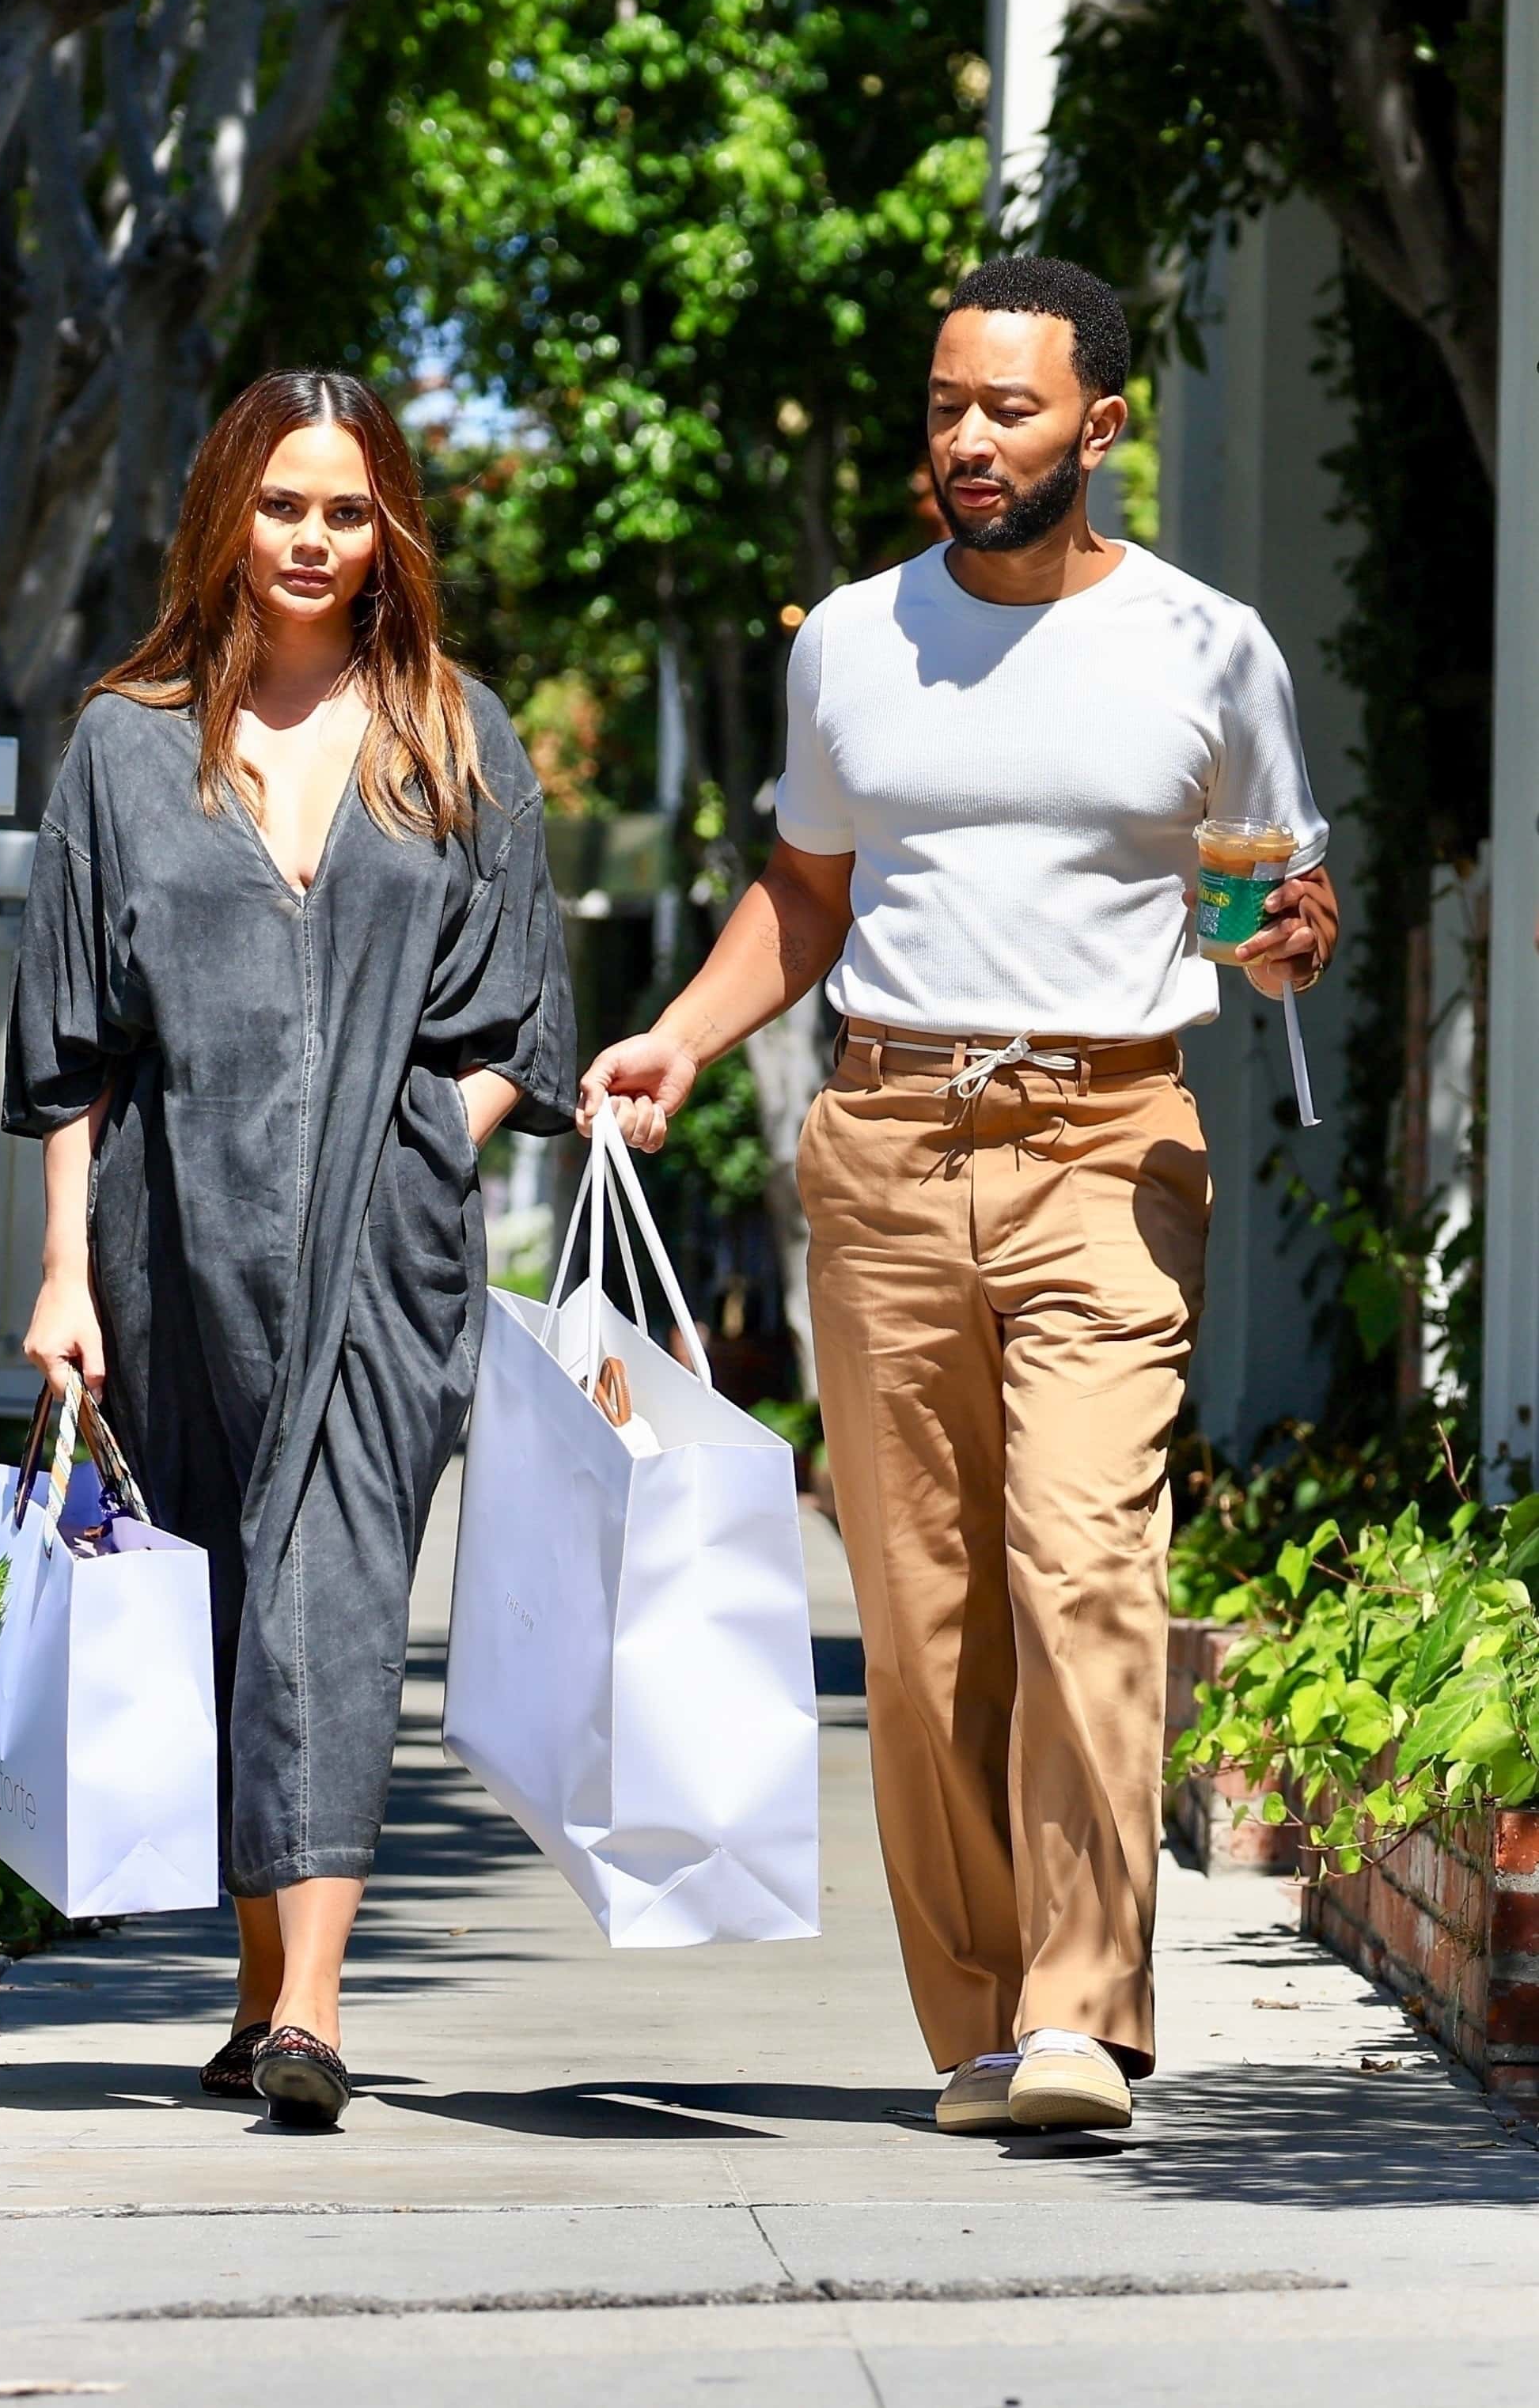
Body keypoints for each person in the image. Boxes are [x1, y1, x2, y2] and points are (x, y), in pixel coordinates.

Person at [580, 256, 1339, 2135]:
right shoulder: (848, 638)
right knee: (923, 1633)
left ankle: (1083, 2011)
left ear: (1100, 425)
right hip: (889, 1143)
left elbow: (1259, 897)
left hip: (1105, 1142)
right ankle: (988, 2020)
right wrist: (676, 1038)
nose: (967, 439)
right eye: (943, 405)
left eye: (1007, 407)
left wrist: (1276, 942)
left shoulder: (1204, 646)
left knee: (1083, 1565)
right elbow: (807, 894)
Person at [6, 369, 575, 2127]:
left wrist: (421, 1155)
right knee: (229, 1606)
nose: (313, 539)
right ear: (224, 517)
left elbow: (518, 1019)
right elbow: (69, 1051)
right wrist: (60, 1274)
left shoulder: (457, 734)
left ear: (386, 523)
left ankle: (312, 2009)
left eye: (345, 509)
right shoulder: (124, 741)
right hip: (167, 1239)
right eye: (282, 505)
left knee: (331, 1593)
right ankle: (260, 1992)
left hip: (385, 1248)